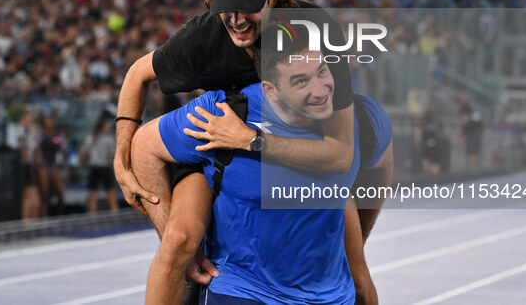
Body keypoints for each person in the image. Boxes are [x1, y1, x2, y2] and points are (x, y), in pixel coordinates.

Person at [114, 0, 375, 302]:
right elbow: (136, 75)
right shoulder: (203, 37)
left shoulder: (314, 31)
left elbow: (341, 154)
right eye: (227, 9)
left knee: (355, 264)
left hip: (286, 147)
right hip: (214, 150)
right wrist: (120, 157)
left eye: (248, 6)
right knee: (178, 242)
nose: (237, 20)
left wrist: (250, 139)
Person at [130, 29, 392, 303]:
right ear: (271, 90)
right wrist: (169, 228)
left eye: (322, 72)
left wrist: (357, 235)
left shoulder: (362, 118)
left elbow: (381, 165)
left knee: (360, 277)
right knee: (178, 241)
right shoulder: (224, 113)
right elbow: (144, 146)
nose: (320, 90)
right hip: (244, 291)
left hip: (330, 295)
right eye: (301, 81)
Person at [81, 117, 118, 212]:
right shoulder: (108, 139)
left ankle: (91, 217)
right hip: (105, 168)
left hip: (94, 168)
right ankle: (115, 215)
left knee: (93, 193)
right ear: (104, 127)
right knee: (110, 193)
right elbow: (112, 156)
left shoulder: (91, 138)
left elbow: (84, 154)